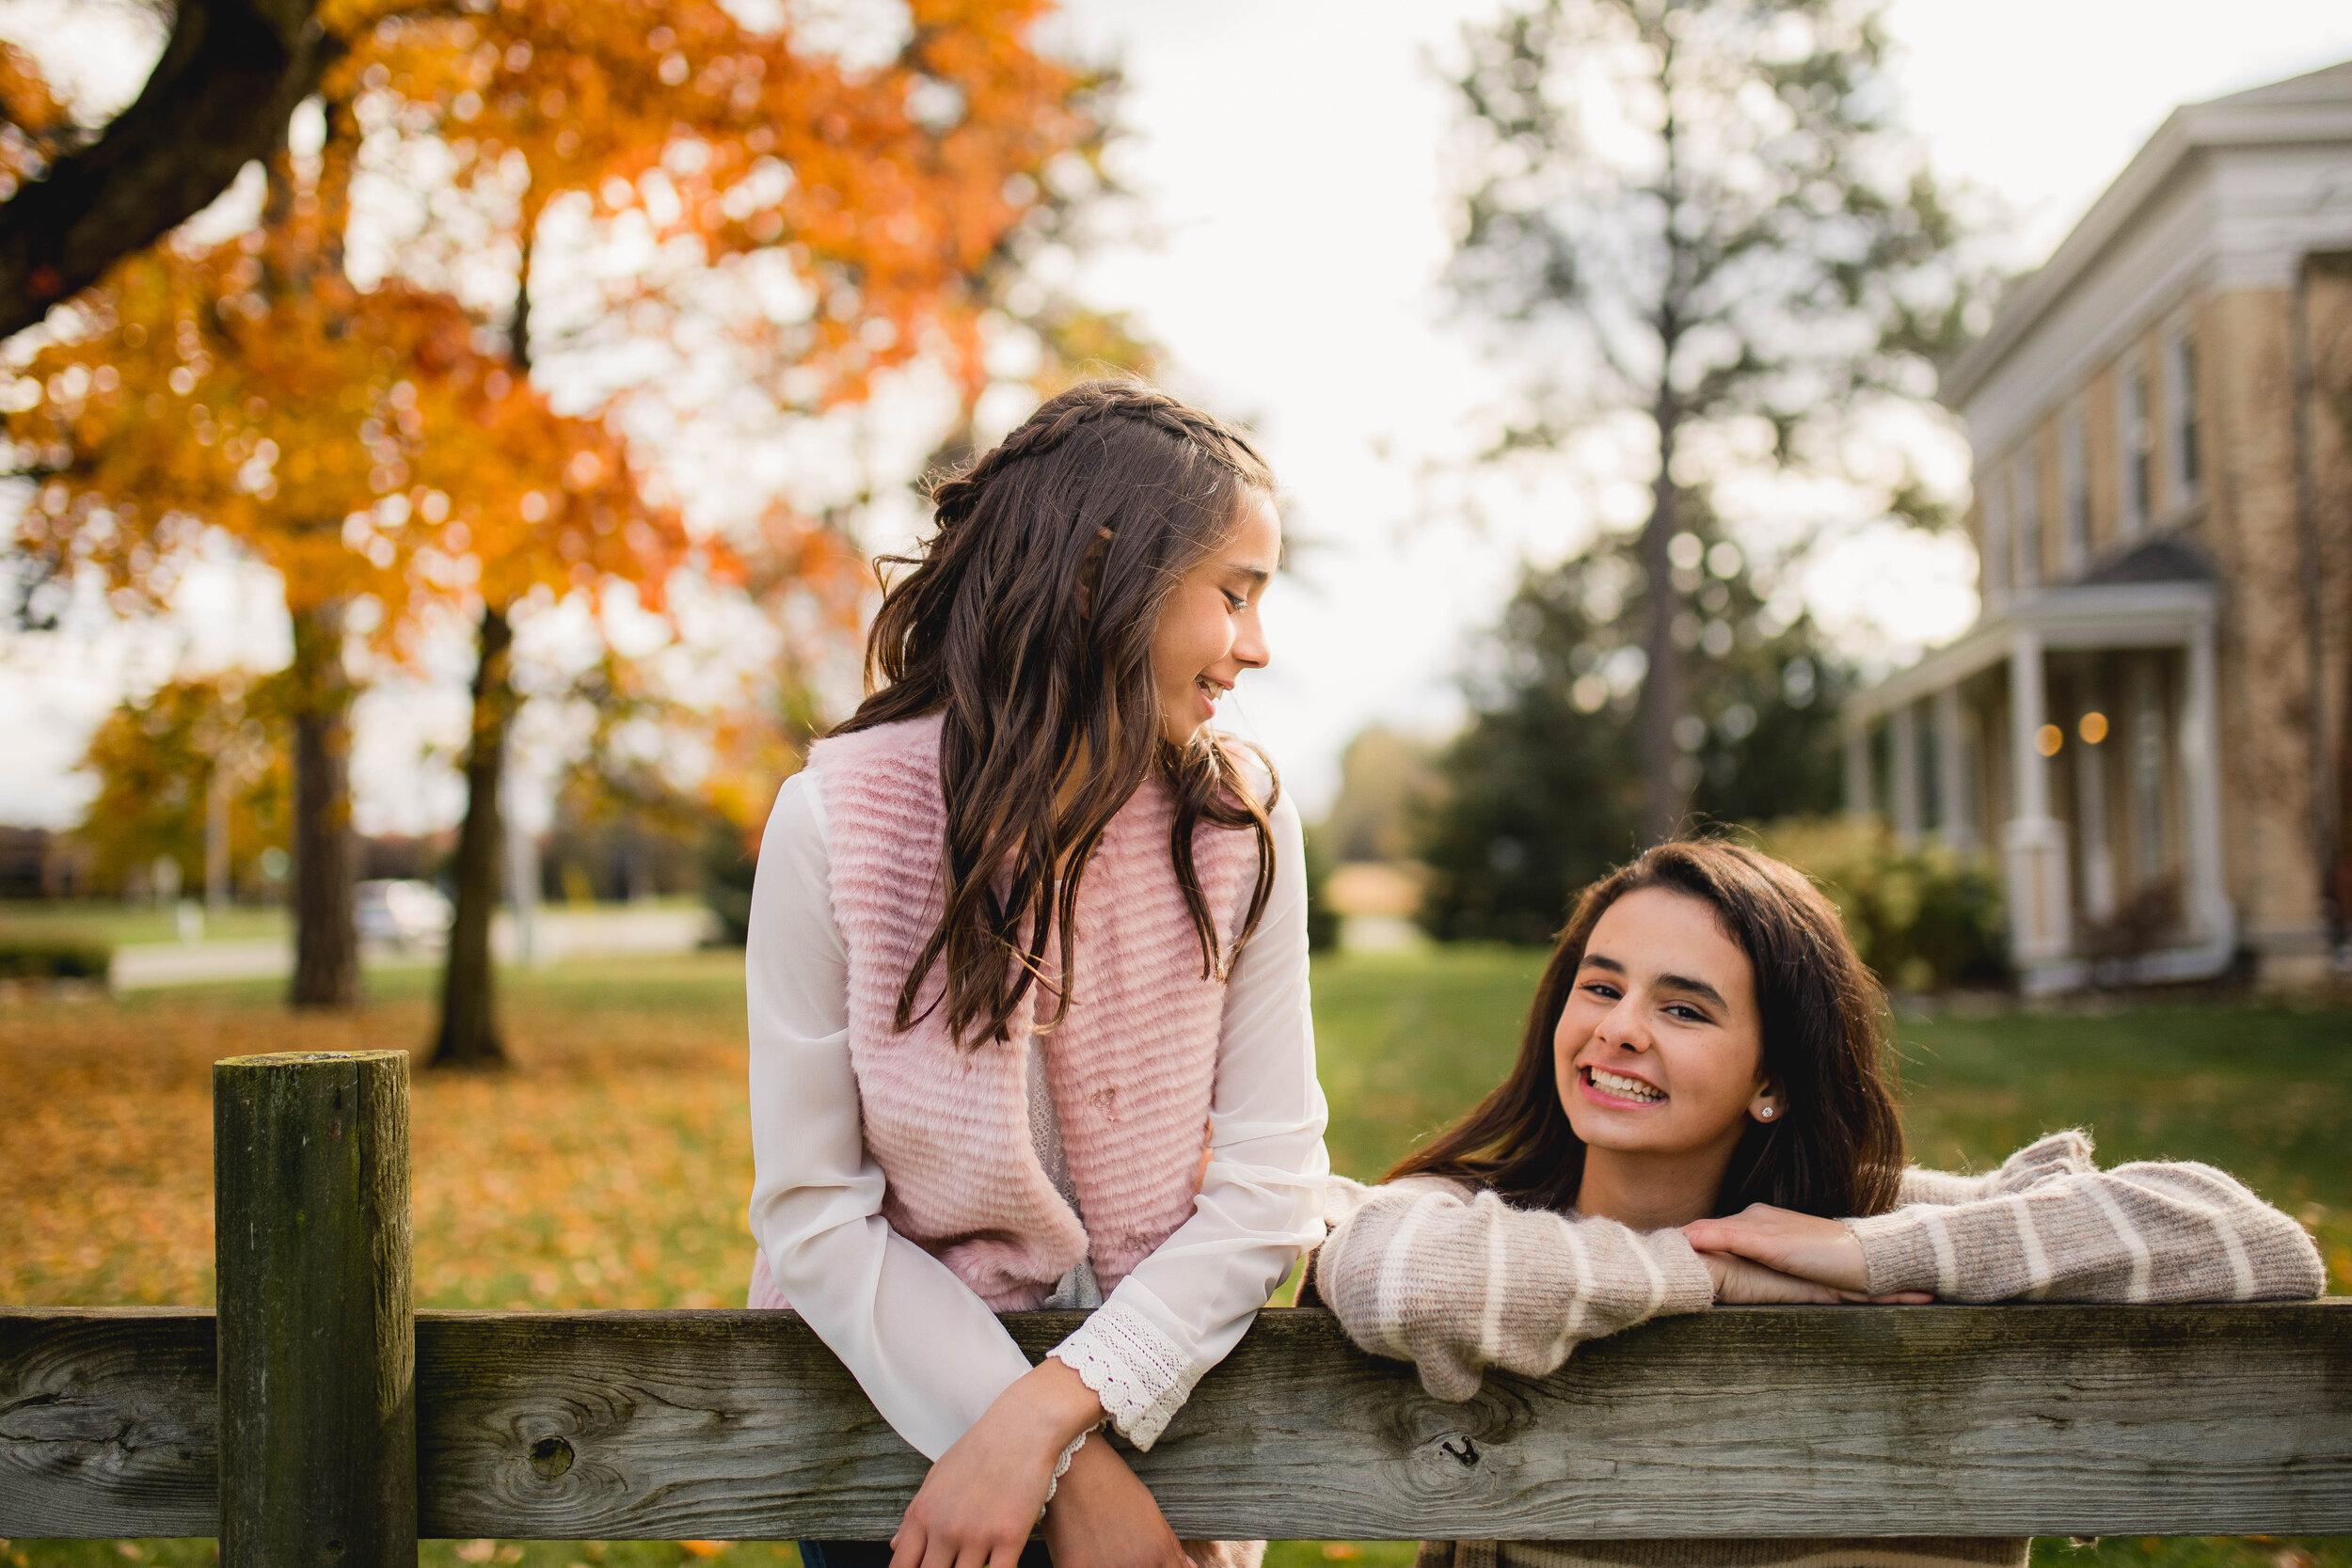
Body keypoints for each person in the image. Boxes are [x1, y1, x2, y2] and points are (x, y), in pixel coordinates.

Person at [1310, 839, 2325, 1568]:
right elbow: (1397, 1279)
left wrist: (1863, 1251)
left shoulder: (1878, 1226)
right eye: (1599, 986)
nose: (1618, 1028)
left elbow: (2256, 1246)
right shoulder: (1462, 1213)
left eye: (1682, 1007)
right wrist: (1714, 1272)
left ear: (1776, 1079)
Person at [745, 379, 1328, 1568]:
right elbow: (814, 1214)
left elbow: (1272, 1179)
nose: (1257, 647)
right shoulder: (834, 823)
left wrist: (1058, 1421)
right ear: (1101, 570)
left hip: (1174, 1423)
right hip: (893, 1448)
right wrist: (1065, 1473)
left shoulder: (1241, 825)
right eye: (1234, 593)